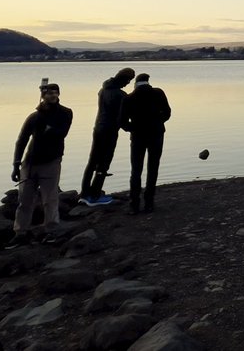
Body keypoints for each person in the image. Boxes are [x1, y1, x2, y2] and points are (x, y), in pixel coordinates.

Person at [10, 81, 74, 245]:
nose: (53, 95)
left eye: (55, 92)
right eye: (49, 93)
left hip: (51, 161)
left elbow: (61, 133)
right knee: (24, 199)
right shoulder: (34, 116)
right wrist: (16, 164)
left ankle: (52, 230)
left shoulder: (66, 113)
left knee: (50, 198)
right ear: (43, 96)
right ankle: (21, 232)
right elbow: (21, 140)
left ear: (59, 94)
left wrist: (47, 129)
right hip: (30, 162)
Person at [79, 67, 136, 205]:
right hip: (109, 131)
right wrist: (132, 128)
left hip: (98, 127)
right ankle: (95, 195)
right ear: (124, 79)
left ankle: (85, 193)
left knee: (92, 161)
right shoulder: (120, 95)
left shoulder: (102, 90)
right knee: (104, 163)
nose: (128, 84)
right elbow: (122, 117)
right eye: (128, 81)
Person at [119, 73, 171, 215]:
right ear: (148, 82)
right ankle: (149, 203)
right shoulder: (158, 93)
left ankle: (134, 204)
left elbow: (122, 122)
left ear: (136, 83)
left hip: (138, 137)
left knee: (136, 170)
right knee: (153, 168)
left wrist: (133, 128)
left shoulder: (128, 98)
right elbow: (167, 112)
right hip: (156, 134)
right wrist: (158, 122)